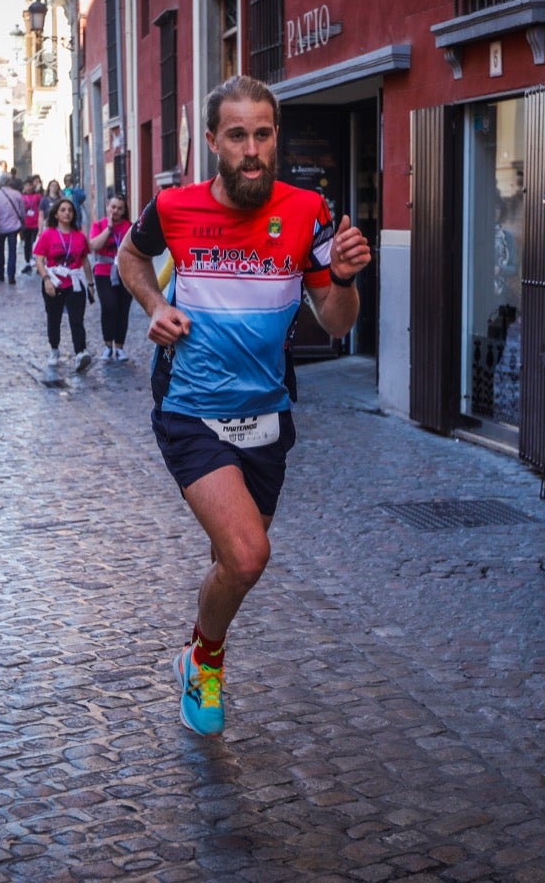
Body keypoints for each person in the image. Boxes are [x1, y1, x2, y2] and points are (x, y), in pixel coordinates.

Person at [117, 75, 371, 737]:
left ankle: (198, 646)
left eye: (263, 134)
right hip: (190, 405)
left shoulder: (309, 211)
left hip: (268, 413)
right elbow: (129, 258)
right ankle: (205, 661)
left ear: (275, 137)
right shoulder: (173, 207)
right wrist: (155, 304)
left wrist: (342, 277)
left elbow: (337, 321)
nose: (252, 149)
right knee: (250, 554)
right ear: (212, 141)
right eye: (237, 135)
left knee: (232, 560)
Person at [36, 197, 94, 372]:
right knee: (53, 318)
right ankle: (54, 348)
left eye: (70, 210)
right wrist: (46, 279)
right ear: (56, 214)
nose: (67, 213)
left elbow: (85, 261)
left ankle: (80, 353)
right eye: (63, 210)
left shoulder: (80, 237)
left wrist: (90, 284)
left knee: (77, 319)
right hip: (54, 281)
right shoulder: (48, 235)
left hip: (75, 282)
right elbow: (39, 260)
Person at [88, 194, 134, 362]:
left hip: (125, 271)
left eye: (120, 209)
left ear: (124, 211)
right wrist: (108, 229)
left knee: (123, 308)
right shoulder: (98, 225)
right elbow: (94, 246)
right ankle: (108, 345)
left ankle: (120, 347)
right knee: (109, 306)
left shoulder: (129, 226)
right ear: (108, 207)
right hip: (103, 271)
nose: (115, 211)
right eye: (113, 207)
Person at [0, 175, 27, 285]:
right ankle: (11, 275)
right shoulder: (17, 194)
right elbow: (22, 212)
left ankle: (0, 272)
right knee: (12, 251)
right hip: (14, 227)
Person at [21, 176, 43, 274]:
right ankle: (27, 262)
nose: (28, 187)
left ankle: (38, 263)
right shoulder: (22, 197)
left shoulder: (38, 196)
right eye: (26, 186)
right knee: (27, 244)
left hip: (35, 223)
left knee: (36, 244)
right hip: (26, 224)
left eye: (30, 185)